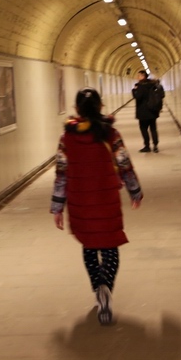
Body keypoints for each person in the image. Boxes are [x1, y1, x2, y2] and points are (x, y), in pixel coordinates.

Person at [50, 88, 143, 325]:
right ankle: (106, 286)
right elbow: (124, 163)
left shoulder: (66, 139)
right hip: (106, 199)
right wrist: (135, 191)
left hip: (80, 202)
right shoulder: (111, 134)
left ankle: (97, 288)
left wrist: (57, 206)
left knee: (89, 246)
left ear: (76, 109)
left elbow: (61, 174)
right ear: (101, 106)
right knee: (110, 245)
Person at [132, 70, 164, 152]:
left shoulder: (140, 86)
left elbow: (138, 97)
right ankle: (155, 146)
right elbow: (161, 95)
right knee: (153, 128)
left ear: (143, 76)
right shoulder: (153, 84)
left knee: (143, 129)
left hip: (143, 112)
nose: (137, 77)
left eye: (139, 75)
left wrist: (134, 90)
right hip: (153, 110)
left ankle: (147, 146)